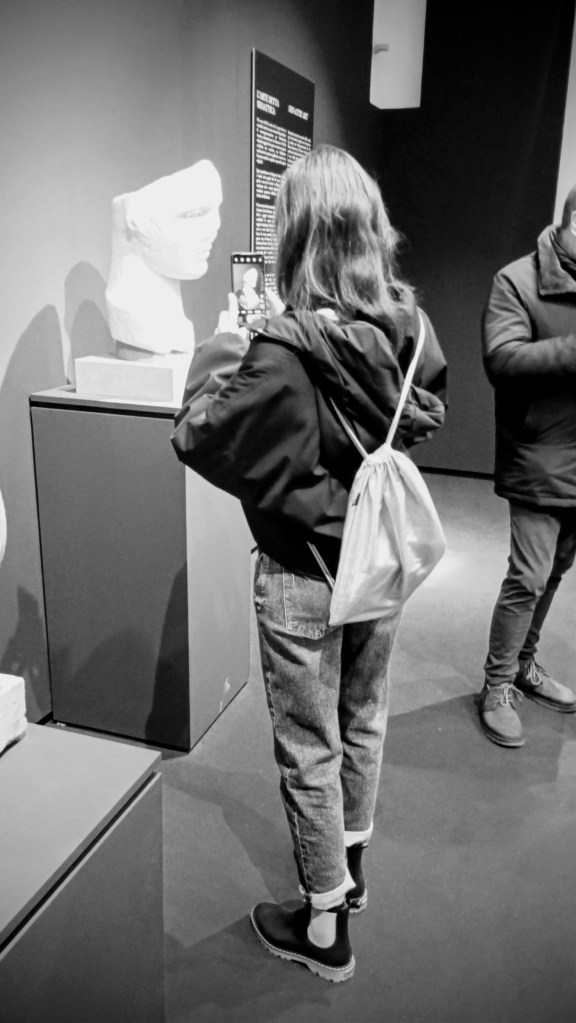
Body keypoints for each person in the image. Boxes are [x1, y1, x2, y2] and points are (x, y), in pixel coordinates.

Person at [171, 145, 447, 982]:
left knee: (307, 742)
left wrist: (220, 345)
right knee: (364, 715)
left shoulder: (281, 349)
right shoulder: (412, 326)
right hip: (380, 562)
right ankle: (350, 872)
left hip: (300, 571)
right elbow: (426, 409)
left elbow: (200, 435)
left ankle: (324, 923)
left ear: (300, 232)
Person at [479, 185, 576, 748]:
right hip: (537, 455)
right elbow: (502, 359)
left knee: (558, 568)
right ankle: (495, 686)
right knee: (530, 574)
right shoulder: (516, 280)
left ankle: (524, 664)